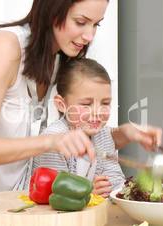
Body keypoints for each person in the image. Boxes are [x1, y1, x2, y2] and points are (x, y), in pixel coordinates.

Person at [0, 0, 162, 217]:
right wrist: (52, 142)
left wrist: (124, 134)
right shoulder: (5, 48)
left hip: (12, 204)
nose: (89, 36)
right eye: (81, 21)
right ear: (52, 9)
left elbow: (86, 133)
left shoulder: (57, 58)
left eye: (96, 24)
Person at [33, 58, 125, 198]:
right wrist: (88, 192)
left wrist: (109, 187)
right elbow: (54, 195)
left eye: (105, 103)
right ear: (61, 104)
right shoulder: (53, 140)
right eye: (86, 104)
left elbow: (117, 182)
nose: (97, 112)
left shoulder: (103, 134)